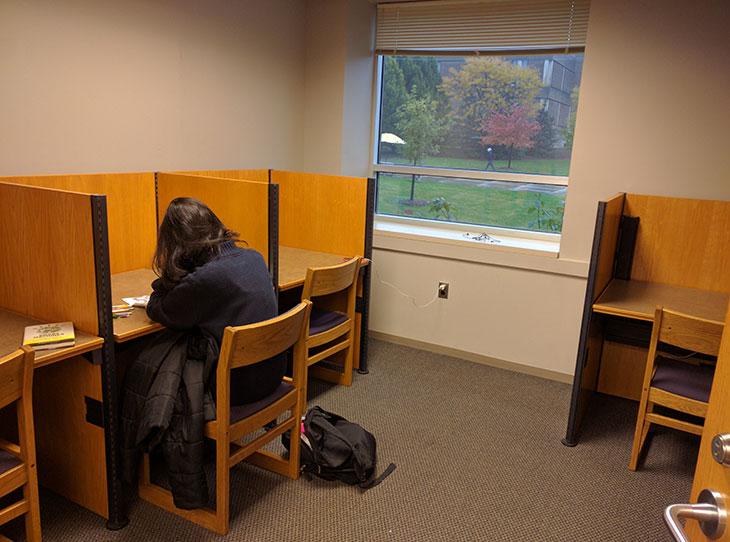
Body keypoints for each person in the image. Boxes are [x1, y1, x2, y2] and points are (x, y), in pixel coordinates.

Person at [147, 197, 283, 405]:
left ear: (177, 244)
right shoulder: (254, 257)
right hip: (272, 373)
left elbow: (159, 309)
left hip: (236, 387)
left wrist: (169, 277)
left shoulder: (206, 279)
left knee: (151, 362)